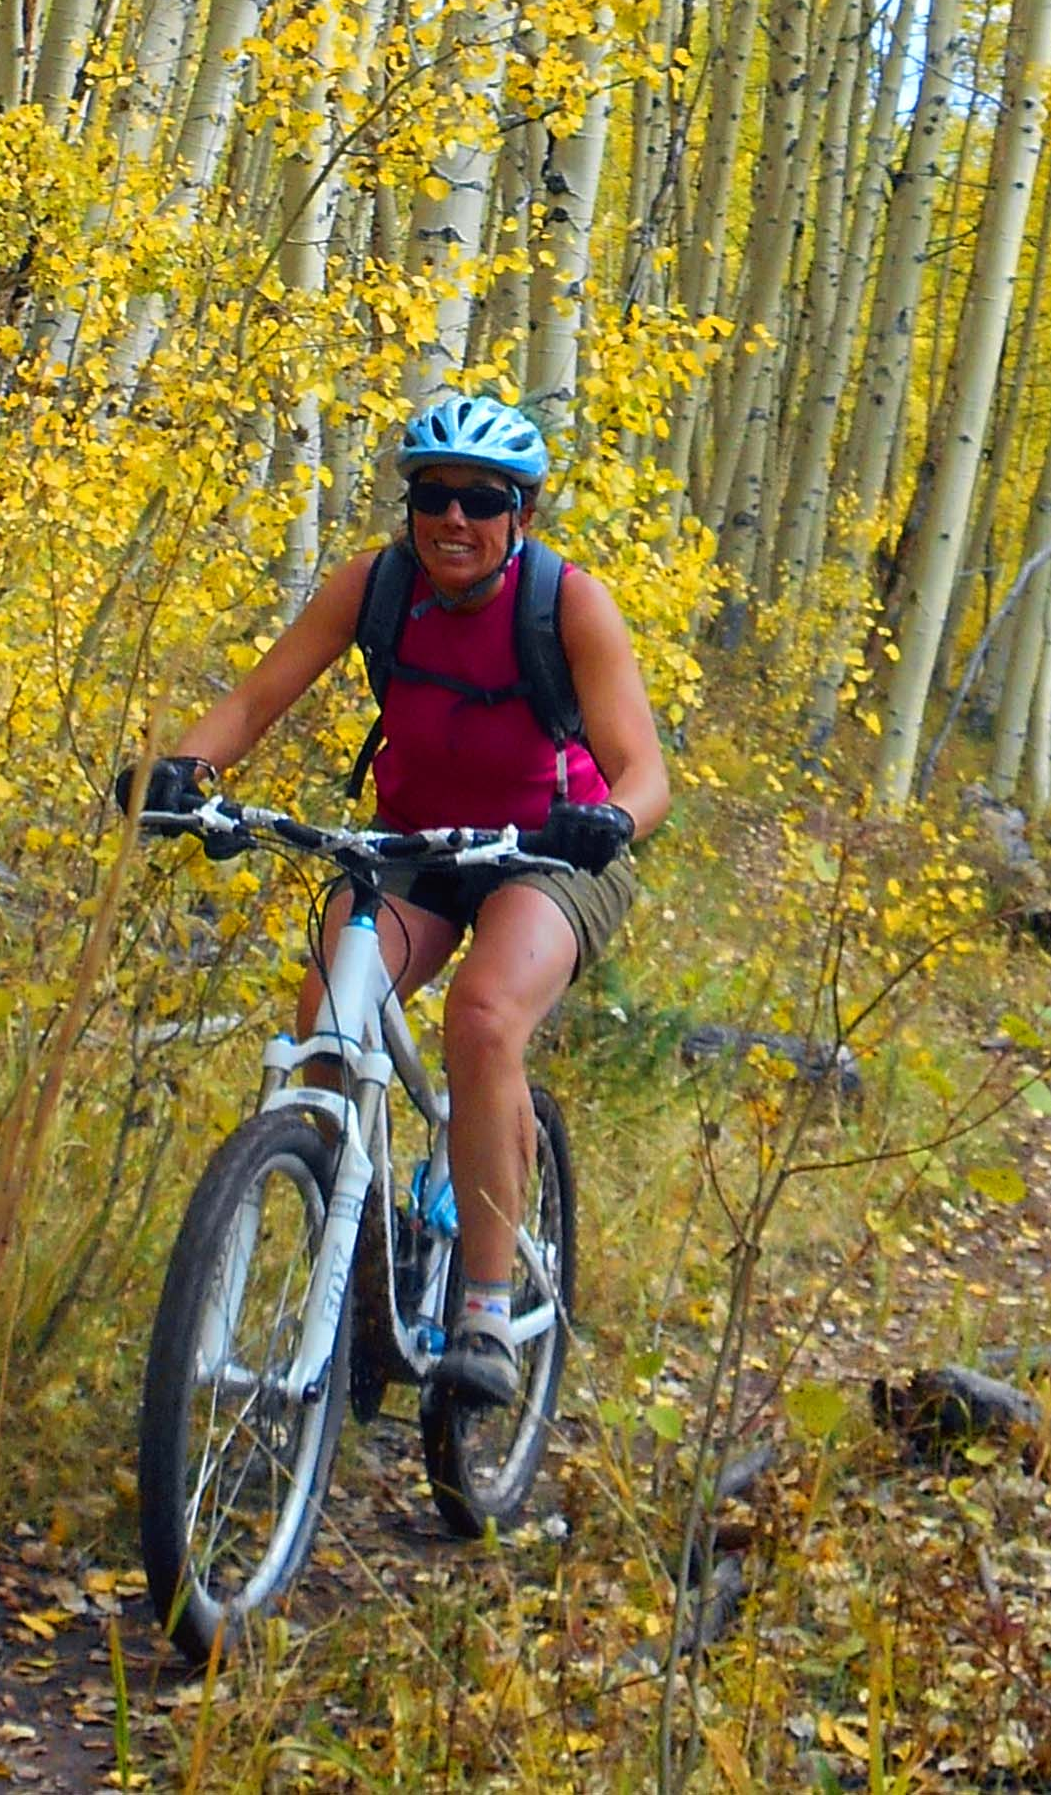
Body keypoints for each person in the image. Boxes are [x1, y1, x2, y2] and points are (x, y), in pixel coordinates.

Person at [133, 391, 668, 1402]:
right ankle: (358, 1262)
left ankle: (486, 1312)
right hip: (411, 847)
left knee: (482, 1018)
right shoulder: (376, 586)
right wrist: (182, 771)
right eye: (433, 495)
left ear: (521, 515)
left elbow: (645, 771)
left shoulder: (569, 605)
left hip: (550, 854)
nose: (453, 519)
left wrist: (611, 821)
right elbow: (254, 699)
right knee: (329, 1025)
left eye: (481, 498)